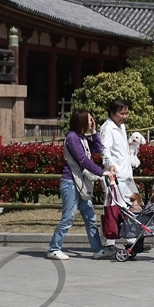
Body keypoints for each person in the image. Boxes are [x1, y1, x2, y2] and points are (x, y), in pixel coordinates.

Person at [47, 109, 109, 260]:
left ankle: (98, 249)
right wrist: (101, 173)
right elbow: (83, 160)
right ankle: (54, 248)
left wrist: (94, 131)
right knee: (68, 217)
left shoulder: (81, 138)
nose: (91, 121)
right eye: (89, 119)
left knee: (90, 218)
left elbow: (98, 148)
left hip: (81, 183)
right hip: (71, 182)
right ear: (81, 121)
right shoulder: (72, 138)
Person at [99, 98, 137, 230]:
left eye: (126, 113)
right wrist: (109, 164)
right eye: (121, 113)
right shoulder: (107, 128)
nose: (124, 116)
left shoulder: (122, 126)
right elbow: (104, 149)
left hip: (127, 175)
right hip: (115, 177)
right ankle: (108, 243)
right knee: (113, 209)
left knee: (135, 204)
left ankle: (132, 240)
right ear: (112, 112)